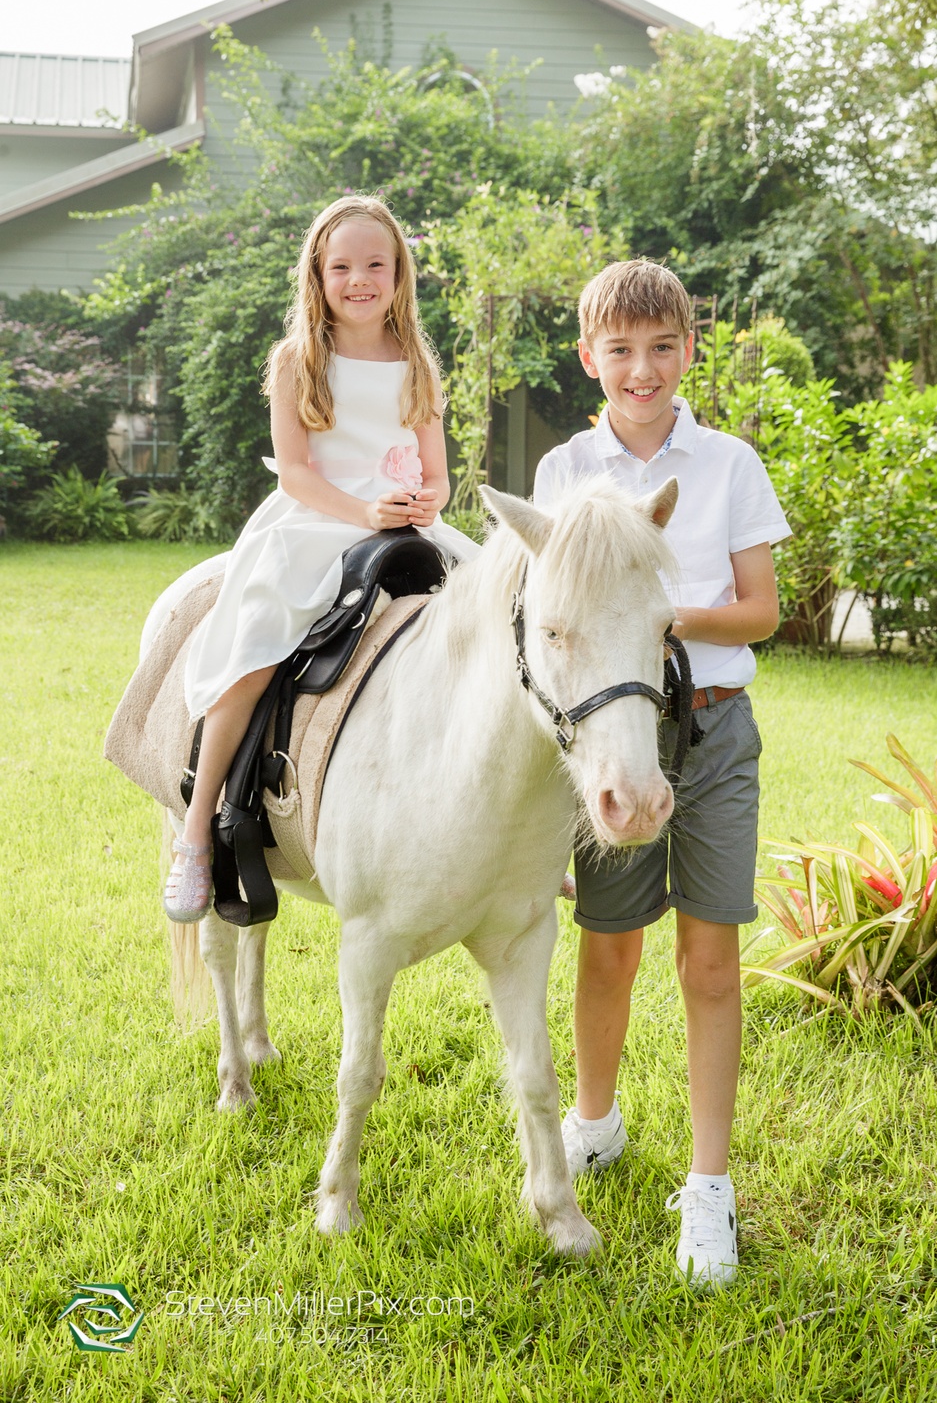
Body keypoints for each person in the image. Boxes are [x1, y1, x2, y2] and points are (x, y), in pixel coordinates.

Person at [533, 259, 790, 1288]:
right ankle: (592, 1118)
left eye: (662, 347)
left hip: (713, 731)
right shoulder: (562, 472)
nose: (641, 369)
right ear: (589, 357)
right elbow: (547, 626)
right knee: (607, 949)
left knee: (710, 963)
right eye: (620, 350)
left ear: (688, 349)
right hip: (610, 740)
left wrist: (656, 614)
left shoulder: (728, 464)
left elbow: (761, 609)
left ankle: (710, 1185)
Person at [163, 195, 479, 923]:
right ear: (317, 274)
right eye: (342, 266)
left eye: (376, 264)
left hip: (400, 520)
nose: (359, 279)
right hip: (318, 519)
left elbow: (435, 467)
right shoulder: (299, 360)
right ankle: (197, 829)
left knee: (497, 629)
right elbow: (298, 472)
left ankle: (504, 833)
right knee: (257, 648)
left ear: (399, 273)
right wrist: (363, 510)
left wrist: (423, 501)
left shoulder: (416, 363)